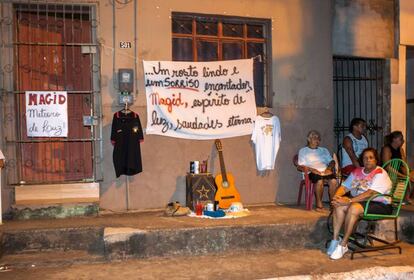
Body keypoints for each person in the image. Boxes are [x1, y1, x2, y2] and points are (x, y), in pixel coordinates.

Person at [328, 148, 392, 260]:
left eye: (371, 157)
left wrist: (348, 200)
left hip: (380, 204)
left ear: (376, 160)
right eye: (365, 158)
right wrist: (336, 198)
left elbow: (370, 193)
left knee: (353, 208)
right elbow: (344, 187)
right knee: (339, 206)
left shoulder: (380, 172)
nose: (368, 160)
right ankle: (335, 240)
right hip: (361, 201)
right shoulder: (357, 172)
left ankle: (343, 245)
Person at [298, 130, 338, 211]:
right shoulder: (303, 151)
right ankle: (319, 204)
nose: (317, 140)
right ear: (309, 139)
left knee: (334, 181)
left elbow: (332, 161)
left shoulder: (324, 150)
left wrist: (329, 168)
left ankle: (332, 203)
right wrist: (312, 169)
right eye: (314, 138)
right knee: (319, 181)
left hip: (325, 171)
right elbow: (300, 166)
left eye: (318, 138)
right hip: (311, 172)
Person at [381, 131, 414, 202]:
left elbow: (404, 165)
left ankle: (406, 197)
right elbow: (387, 166)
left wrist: (408, 174)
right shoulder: (387, 149)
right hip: (388, 172)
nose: (403, 141)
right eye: (401, 139)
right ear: (394, 139)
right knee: (404, 177)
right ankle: (395, 198)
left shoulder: (400, 149)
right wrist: (402, 175)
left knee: (412, 175)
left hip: (398, 171)